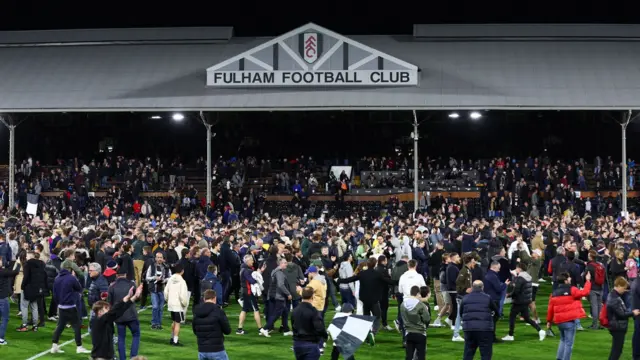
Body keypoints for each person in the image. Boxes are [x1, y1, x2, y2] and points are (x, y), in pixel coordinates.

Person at [546, 271, 592, 360]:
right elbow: (585, 292)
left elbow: (550, 309)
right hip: (569, 321)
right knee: (568, 343)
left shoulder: (554, 293)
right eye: (569, 277)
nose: (570, 278)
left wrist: (549, 321)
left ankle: (559, 358)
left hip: (559, 321)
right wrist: (588, 281)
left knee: (563, 340)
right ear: (566, 281)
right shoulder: (572, 289)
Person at [91, 285, 143, 360]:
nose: (109, 310)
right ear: (99, 312)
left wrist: (131, 298)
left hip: (107, 356)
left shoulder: (105, 321)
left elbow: (119, 311)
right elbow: (113, 312)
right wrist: (125, 299)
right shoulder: (98, 321)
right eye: (107, 309)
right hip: (100, 357)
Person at [51, 267, 91, 354]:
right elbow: (79, 288)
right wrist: (76, 296)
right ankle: (79, 346)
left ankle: (54, 346)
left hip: (61, 306)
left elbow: (54, 293)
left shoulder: (57, 278)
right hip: (70, 306)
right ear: (71, 271)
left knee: (60, 326)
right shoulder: (71, 278)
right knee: (77, 326)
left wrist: (59, 302)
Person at [503, 261, 545, 341]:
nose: (516, 269)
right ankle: (540, 330)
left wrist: (509, 295)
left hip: (519, 301)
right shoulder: (527, 277)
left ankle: (510, 335)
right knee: (527, 318)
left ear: (519, 269)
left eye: (516, 268)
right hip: (526, 301)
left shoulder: (520, 278)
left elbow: (516, 290)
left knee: (512, 317)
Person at [108, 267, 141, 360]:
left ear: (116, 275)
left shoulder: (111, 286)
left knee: (121, 338)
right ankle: (133, 357)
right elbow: (137, 298)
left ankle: (122, 358)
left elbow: (109, 303)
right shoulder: (131, 284)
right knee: (136, 335)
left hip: (119, 317)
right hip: (131, 315)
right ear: (125, 274)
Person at [461, 280, 498, 360]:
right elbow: (496, 311)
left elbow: (461, 313)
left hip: (469, 329)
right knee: (485, 354)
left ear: (472, 287)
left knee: (468, 352)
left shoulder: (465, 298)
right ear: (482, 287)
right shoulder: (487, 297)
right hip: (485, 329)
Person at [606, 277, 640, 360]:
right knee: (616, 351)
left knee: (616, 350)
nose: (624, 290)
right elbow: (621, 314)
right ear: (618, 286)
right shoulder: (615, 298)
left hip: (616, 326)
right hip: (617, 327)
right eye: (624, 288)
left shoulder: (613, 296)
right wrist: (633, 313)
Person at [192, 289, 231, 360]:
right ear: (215, 298)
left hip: (202, 350)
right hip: (217, 350)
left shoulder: (197, 312)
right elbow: (227, 330)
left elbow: (195, 331)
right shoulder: (218, 311)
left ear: (204, 299)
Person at [292, 287, 328, 360]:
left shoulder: (295, 310)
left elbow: (293, 326)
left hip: (297, 344)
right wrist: (325, 336)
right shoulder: (313, 311)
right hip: (310, 344)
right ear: (313, 296)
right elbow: (319, 328)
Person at [262, 258, 292, 337]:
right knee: (276, 314)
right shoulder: (279, 273)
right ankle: (265, 328)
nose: (286, 264)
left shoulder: (274, 271)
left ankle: (286, 330)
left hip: (273, 295)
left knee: (285, 312)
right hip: (279, 296)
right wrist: (288, 294)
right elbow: (281, 285)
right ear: (280, 264)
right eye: (285, 263)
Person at [18, 251, 47, 332]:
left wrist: (22, 286)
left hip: (28, 288)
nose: (26, 257)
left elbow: (26, 277)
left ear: (31, 256)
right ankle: (35, 326)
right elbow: (44, 276)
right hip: (37, 289)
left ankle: (24, 325)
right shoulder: (42, 264)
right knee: (34, 307)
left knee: (24, 306)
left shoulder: (27, 264)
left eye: (27, 255)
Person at [400, 285, 430, 360]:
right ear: (418, 293)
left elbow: (402, 317)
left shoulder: (403, 305)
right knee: (421, 356)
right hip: (420, 332)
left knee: (409, 356)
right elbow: (427, 319)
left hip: (408, 332)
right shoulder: (421, 305)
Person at [236, 255, 264, 335]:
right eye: (251, 260)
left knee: (244, 310)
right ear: (247, 261)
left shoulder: (244, 269)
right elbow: (251, 280)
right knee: (256, 309)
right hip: (248, 293)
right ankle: (260, 329)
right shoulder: (246, 270)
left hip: (245, 292)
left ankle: (239, 329)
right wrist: (257, 279)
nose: (253, 262)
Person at [164, 263, 189, 346]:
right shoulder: (182, 281)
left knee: (174, 321)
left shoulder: (170, 279)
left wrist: (168, 300)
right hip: (178, 305)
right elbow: (183, 295)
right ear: (182, 271)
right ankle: (175, 341)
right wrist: (184, 304)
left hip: (171, 304)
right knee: (177, 323)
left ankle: (172, 338)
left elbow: (165, 291)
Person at [146, 252, 170, 330]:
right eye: (158, 257)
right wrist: (154, 278)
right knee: (155, 306)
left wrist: (165, 280)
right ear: (155, 258)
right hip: (154, 289)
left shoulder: (166, 267)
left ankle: (158, 324)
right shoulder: (152, 266)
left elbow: (170, 277)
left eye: (161, 257)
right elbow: (147, 277)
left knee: (160, 308)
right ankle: (154, 323)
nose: (159, 259)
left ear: (163, 258)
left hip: (162, 289)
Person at [0, 256, 18, 345]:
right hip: (2, 298)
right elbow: (15, 272)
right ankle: (1, 338)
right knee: (5, 318)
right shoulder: (3, 272)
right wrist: (18, 263)